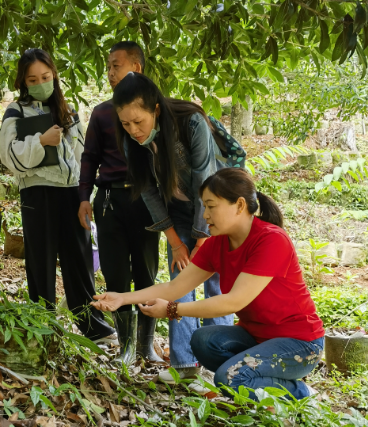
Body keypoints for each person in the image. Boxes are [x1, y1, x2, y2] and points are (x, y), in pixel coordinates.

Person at [91, 168, 325, 399]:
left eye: (211, 206)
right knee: (203, 341)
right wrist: (122, 298)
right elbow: (175, 287)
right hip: (255, 338)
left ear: (240, 205)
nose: (205, 215)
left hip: (300, 344)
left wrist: (172, 309)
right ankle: (260, 378)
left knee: (229, 379)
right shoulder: (217, 244)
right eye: (204, 206)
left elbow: (233, 302)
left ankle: (301, 393)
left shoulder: (271, 240)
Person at [110, 72, 234, 382]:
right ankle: (185, 366)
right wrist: (177, 242)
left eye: (138, 121)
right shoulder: (131, 141)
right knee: (181, 279)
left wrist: (202, 239)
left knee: (215, 281)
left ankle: (220, 365)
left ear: (156, 109)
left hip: (217, 207)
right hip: (177, 211)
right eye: (125, 124)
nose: (133, 130)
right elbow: (148, 191)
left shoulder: (191, 123)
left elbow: (206, 181)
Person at [0, 48, 115, 343]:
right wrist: (40, 141)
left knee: (80, 258)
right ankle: (43, 325)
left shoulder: (68, 109)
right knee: (41, 260)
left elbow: (82, 154)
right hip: (37, 193)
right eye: (33, 79)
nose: (40, 83)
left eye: (45, 76)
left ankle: (92, 325)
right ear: (23, 82)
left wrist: (85, 192)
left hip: (71, 192)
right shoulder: (16, 111)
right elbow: (8, 155)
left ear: (54, 75)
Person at [78, 42, 162, 366]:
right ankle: (126, 347)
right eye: (108, 67)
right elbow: (89, 158)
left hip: (146, 201)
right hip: (110, 201)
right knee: (115, 273)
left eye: (117, 65)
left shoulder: (154, 111)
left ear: (136, 68)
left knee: (146, 272)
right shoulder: (102, 113)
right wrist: (84, 198)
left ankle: (146, 346)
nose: (110, 73)